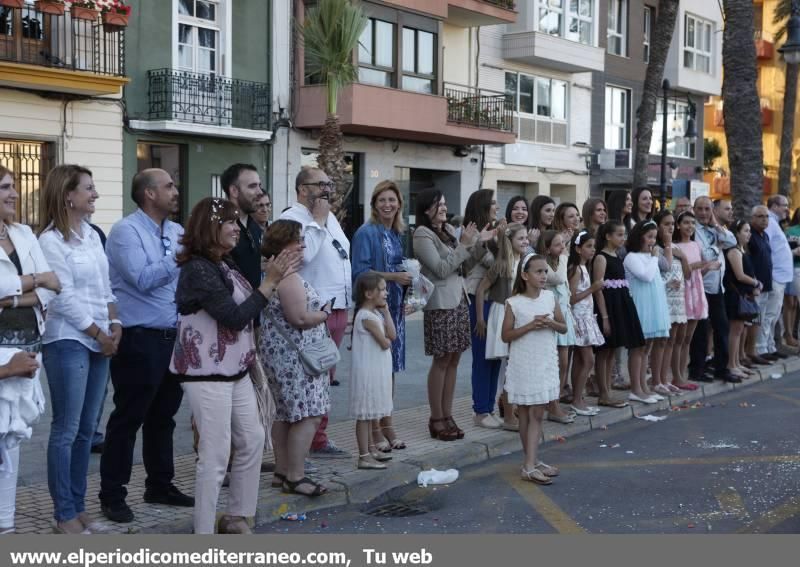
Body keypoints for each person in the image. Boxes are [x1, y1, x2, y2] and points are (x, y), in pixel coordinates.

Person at [171, 198, 297, 534]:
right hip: (206, 373)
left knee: (253, 438)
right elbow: (234, 317)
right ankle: (204, 533)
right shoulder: (198, 268)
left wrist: (271, 279)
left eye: (235, 223)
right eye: (228, 222)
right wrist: (270, 282)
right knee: (214, 455)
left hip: (235, 370)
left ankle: (237, 516)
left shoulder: (224, 262)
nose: (235, 229)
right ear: (210, 227)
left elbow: (249, 311)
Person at [99, 168, 192, 524]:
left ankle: (160, 484)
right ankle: (112, 494)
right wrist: (180, 258)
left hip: (173, 335)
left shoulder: (177, 231)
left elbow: (182, 281)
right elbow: (142, 279)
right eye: (168, 185)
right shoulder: (126, 231)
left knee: (164, 417)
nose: (175, 189)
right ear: (149, 194)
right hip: (139, 338)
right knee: (129, 417)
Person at [38, 165, 120, 534]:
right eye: (89, 188)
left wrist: (115, 324)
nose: (95, 194)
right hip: (68, 339)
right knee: (67, 429)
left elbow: (106, 288)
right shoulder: (50, 242)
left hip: (100, 337)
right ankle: (64, 514)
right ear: (68, 195)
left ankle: (80, 506)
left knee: (88, 430)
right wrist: (97, 332)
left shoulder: (91, 235)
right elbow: (62, 298)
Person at [0, 166, 60, 534]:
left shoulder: (23, 233)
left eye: (13, 187)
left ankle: (5, 529)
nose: (14, 194)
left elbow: (54, 286)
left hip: (27, 354)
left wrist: (9, 300)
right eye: (5, 187)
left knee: (12, 446)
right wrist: (33, 284)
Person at [280, 167, 351, 456]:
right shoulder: (292, 218)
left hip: (337, 306)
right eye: (320, 184)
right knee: (308, 379)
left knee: (325, 377)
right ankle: (301, 446)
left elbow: (341, 251)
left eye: (328, 184)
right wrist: (319, 220)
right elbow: (303, 256)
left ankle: (319, 438)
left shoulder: (330, 216)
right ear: (301, 189)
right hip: (311, 309)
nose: (327, 189)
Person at [259, 219, 334, 496]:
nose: (303, 245)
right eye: (298, 240)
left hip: (283, 356)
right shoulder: (288, 278)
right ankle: (295, 475)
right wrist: (324, 313)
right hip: (296, 360)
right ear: (283, 245)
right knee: (309, 415)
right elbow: (300, 318)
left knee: (285, 414)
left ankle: (281, 472)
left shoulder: (274, 275)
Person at [413, 188, 492, 441]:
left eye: (445, 204)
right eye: (439, 204)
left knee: (454, 359)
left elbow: (465, 266)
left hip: (459, 299)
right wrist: (467, 244)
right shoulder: (422, 234)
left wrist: (477, 243)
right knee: (441, 359)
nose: (445, 208)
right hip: (440, 303)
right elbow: (440, 269)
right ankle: (436, 418)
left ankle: (448, 415)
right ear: (427, 209)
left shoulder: (447, 231)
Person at [350, 180, 411, 452]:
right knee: (375, 371)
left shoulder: (395, 232)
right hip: (372, 311)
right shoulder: (367, 232)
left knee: (390, 369)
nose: (387, 205)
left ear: (399, 204)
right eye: (382, 200)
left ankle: (387, 423)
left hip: (393, 307)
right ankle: (374, 429)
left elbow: (398, 268)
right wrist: (393, 277)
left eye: (392, 200)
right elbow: (360, 274)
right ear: (374, 204)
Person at [501, 253, 566, 485]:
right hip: (524, 361)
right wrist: (530, 326)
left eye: (545, 271)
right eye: (538, 272)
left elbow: (563, 327)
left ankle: (532, 461)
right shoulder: (514, 302)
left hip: (544, 360)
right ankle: (529, 463)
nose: (543, 276)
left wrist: (549, 323)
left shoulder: (549, 297)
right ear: (525, 275)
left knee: (537, 412)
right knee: (528, 412)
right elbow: (506, 335)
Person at [475, 222, 529, 430]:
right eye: (521, 239)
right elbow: (481, 290)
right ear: (510, 241)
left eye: (526, 238)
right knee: (507, 367)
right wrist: (481, 318)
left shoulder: (523, 262)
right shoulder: (501, 264)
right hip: (501, 313)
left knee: (510, 366)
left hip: (515, 315)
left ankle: (508, 411)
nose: (525, 242)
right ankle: (507, 415)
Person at [462, 189, 504, 429]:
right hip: (477, 299)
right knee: (482, 357)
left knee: (495, 355)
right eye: (493, 203)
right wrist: (484, 241)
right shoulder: (471, 233)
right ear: (483, 206)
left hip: (496, 299)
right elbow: (466, 265)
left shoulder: (494, 231)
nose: (497, 207)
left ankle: (489, 406)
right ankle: (480, 411)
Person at [592, 221, 644, 408]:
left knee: (612, 350)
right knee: (603, 352)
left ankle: (608, 391)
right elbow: (598, 289)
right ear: (608, 236)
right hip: (608, 307)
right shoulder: (601, 258)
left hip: (620, 305)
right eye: (619, 235)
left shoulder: (617, 255)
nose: (623, 238)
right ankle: (603, 392)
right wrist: (604, 317)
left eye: (624, 235)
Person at [349, 272, 396, 470]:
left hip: (376, 371)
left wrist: (386, 312)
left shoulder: (376, 314)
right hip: (367, 373)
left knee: (370, 413)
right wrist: (386, 339)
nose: (386, 293)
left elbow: (392, 335)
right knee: (364, 414)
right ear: (369, 294)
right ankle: (363, 455)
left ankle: (370, 449)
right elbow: (385, 343)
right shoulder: (366, 316)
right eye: (382, 289)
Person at [689, 196, 738, 383]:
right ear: (694, 210)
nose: (703, 213)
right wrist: (717, 249)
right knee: (700, 331)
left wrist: (716, 224)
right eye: (699, 209)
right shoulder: (693, 230)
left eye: (707, 209)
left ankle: (721, 369)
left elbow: (732, 241)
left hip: (717, 287)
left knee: (721, 328)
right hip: (701, 285)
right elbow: (705, 255)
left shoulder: (715, 229)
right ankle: (697, 369)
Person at [623, 220, 671, 403]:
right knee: (638, 349)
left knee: (647, 348)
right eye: (649, 236)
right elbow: (646, 275)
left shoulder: (651, 257)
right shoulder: (632, 257)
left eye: (654, 237)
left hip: (653, 305)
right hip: (640, 306)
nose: (652, 241)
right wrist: (654, 257)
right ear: (639, 237)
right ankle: (635, 388)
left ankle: (643, 386)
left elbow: (656, 280)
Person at [537, 231, 577, 423]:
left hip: (563, 315)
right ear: (546, 248)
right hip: (551, 316)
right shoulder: (545, 264)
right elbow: (559, 278)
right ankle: (551, 403)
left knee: (563, 363)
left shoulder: (559, 260)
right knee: (552, 364)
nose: (563, 248)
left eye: (563, 244)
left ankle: (556, 400)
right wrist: (564, 255)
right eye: (558, 245)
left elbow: (565, 287)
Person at [566, 230, 603, 415]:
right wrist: (593, 288)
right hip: (579, 319)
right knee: (588, 360)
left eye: (594, 246)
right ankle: (576, 399)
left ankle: (577, 398)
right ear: (578, 249)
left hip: (586, 317)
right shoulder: (576, 269)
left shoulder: (583, 268)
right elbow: (571, 298)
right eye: (588, 246)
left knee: (581, 360)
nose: (592, 250)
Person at [653, 210, 689, 395]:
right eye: (666, 224)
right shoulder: (657, 248)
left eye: (672, 224)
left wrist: (683, 257)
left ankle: (665, 379)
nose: (670, 227)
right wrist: (667, 245)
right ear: (658, 226)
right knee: (661, 341)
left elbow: (687, 273)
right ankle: (656, 379)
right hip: (664, 298)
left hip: (678, 298)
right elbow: (658, 272)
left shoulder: (675, 247)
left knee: (672, 340)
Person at [673, 210, 709, 389]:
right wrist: (693, 265)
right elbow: (683, 273)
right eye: (686, 223)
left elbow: (700, 270)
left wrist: (707, 267)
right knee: (679, 338)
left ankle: (683, 374)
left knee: (688, 338)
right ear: (678, 225)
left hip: (697, 290)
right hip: (682, 291)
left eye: (692, 223)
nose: (690, 226)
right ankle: (676, 375)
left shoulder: (696, 245)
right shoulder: (675, 246)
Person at [759, 195, 798, 359]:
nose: (787, 209)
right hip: (774, 276)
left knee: (773, 315)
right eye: (784, 205)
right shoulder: (770, 222)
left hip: (779, 277)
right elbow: (766, 248)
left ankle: (769, 346)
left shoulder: (775, 223)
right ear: (774, 206)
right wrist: (794, 252)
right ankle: (762, 348)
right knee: (768, 314)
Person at [723, 220, 761, 381]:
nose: (749, 234)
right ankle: (731, 364)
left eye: (749, 231)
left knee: (739, 330)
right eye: (745, 231)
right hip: (734, 295)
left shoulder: (742, 250)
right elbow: (739, 275)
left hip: (743, 295)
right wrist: (756, 283)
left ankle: (737, 362)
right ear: (736, 233)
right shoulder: (734, 251)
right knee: (735, 330)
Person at [222, 164, 266, 292]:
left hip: (255, 307)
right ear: (234, 191)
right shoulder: (219, 229)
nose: (260, 192)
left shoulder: (255, 226)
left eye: (259, 185)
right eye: (253, 186)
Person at [747, 206, 774, 366]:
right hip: (755, 287)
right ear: (753, 218)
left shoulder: (765, 236)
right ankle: (749, 352)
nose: (764, 219)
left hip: (766, 286)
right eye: (760, 216)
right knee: (752, 320)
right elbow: (748, 261)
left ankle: (754, 350)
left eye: (766, 216)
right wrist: (753, 283)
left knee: (759, 320)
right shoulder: (750, 235)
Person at [783, 208, 800, 347]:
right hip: (793, 268)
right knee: (790, 303)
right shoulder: (790, 231)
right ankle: (788, 335)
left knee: (795, 304)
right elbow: (784, 249)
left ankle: (792, 334)